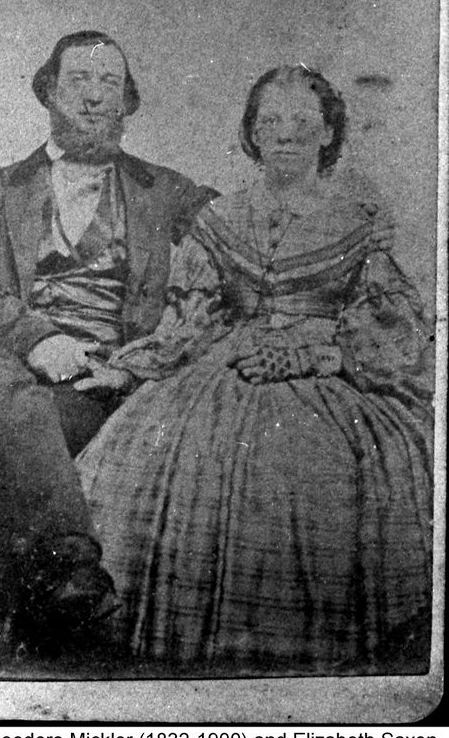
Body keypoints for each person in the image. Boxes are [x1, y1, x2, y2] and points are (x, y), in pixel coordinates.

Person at [76, 65, 434, 677]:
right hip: (224, 365)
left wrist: (320, 355)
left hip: (330, 376)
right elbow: (192, 320)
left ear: (328, 133)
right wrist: (131, 371)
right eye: (270, 121)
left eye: (302, 121)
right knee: (156, 451)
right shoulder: (222, 219)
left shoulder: (360, 221)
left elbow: (394, 330)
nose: (285, 133)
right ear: (252, 134)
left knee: (310, 465)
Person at [0, 30, 216, 662]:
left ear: (127, 101)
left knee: (9, 418)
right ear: (49, 93)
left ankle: (45, 605)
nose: (93, 97)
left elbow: (243, 237)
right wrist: (39, 338)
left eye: (109, 83)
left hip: (97, 382)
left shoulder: (162, 189)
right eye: (79, 81)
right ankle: (74, 579)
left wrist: (136, 365)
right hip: (13, 366)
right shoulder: (3, 188)